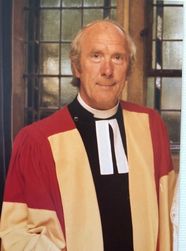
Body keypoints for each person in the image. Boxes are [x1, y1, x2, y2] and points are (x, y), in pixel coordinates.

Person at [0, 19, 177, 251]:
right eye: (96, 56)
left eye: (118, 57)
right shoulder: (38, 141)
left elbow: (171, 214)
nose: (107, 70)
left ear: (128, 69)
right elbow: (16, 232)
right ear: (77, 67)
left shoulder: (150, 126)